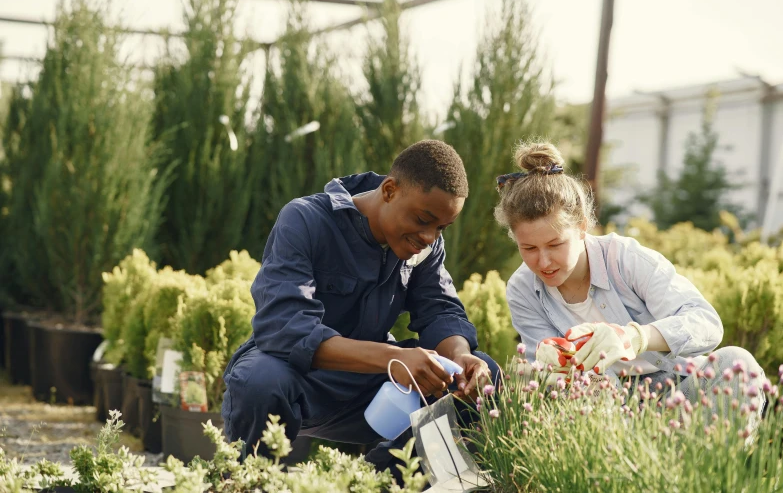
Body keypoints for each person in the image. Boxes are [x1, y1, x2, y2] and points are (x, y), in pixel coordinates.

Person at [222, 139, 500, 481]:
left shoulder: (424, 246)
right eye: (423, 220)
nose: (429, 237)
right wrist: (393, 360)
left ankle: (370, 485)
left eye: (441, 228)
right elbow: (286, 329)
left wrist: (460, 358)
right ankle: (244, 482)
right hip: (297, 380)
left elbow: (440, 310)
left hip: (370, 390)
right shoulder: (305, 219)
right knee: (260, 379)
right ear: (389, 190)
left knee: (482, 377)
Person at [494, 141, 765, 417]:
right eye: (528, 248)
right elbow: (550, 371)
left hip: (679, 390)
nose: (543, 262)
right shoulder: (523, 289)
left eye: (555, 245)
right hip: (602, 402)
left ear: (582, 228)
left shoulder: (624, 258)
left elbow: (705, 322)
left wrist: (633, 337)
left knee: (738, 364)